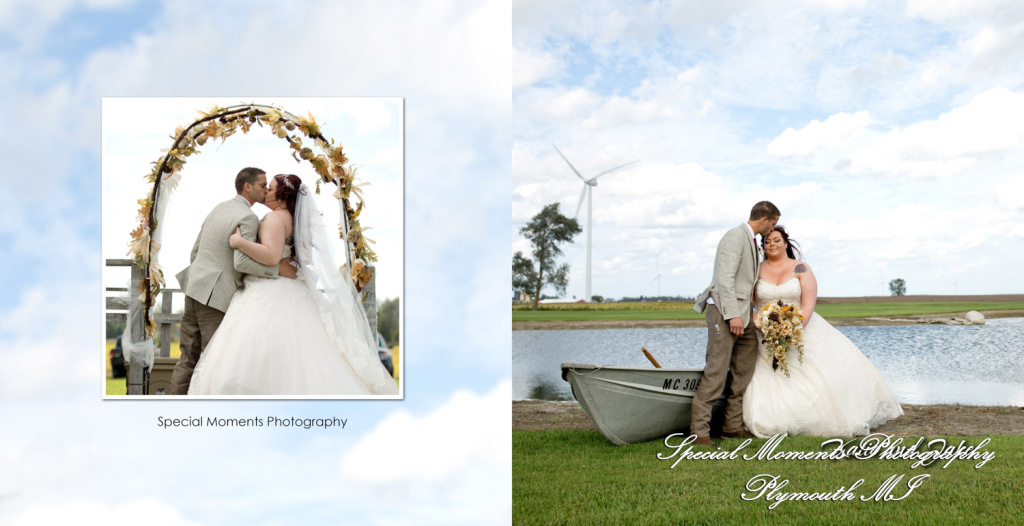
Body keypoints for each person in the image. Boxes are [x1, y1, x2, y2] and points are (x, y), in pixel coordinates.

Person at [187, 173, 398, 395]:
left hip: (270, 288)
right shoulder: (295, 219)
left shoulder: (274, 219)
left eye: (271, 189)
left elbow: (271, 256)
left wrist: (239, 242)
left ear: (280, 196)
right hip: (293, 287)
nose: (266, 192)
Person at [742, 226, 903, 437]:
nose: (771, 244)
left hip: (801, 328)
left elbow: (808, 303)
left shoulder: (800, 268)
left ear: (785, 243)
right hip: (765, 333)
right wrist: (762, 325)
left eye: (776, 240)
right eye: (767, 241)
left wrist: (794, 328)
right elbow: (746, 301)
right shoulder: (757, 270)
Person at [169, 167, 297, 395]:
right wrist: (278, 269)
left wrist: (199, 278)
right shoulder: (247, 217)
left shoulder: (219, 207)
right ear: (247, 187)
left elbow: (196, 250)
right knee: (213, 360)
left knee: (187, 357)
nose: (266, 189)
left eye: (269, 186)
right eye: (262, 185)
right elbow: (241, 263)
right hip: (215, 296)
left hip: (193, 289)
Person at [691, 201, 780, 447]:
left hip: (744, 315)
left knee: (744, 371)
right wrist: (732, 316)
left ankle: (731, 426)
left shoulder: (751, 241)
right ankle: (699, 433)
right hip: (724, 312)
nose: (773, 228)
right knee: (716, 371)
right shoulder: (734, 236)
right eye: (772, 223)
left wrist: (747, 315)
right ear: (763, 219)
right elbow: (725, 278)